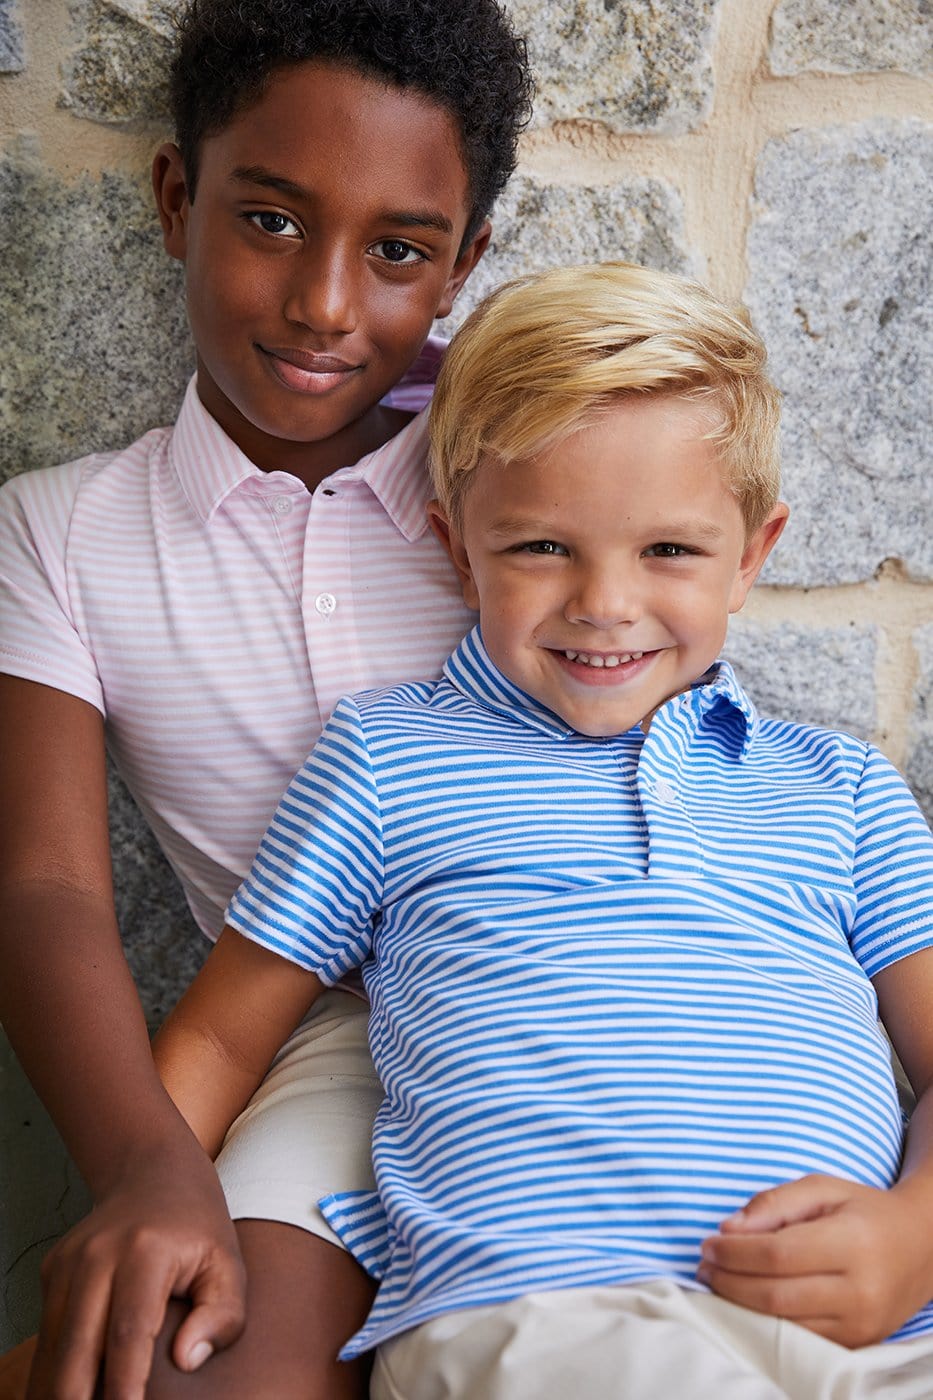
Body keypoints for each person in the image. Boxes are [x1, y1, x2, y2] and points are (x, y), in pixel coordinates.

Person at [149, 262, 933, 1399]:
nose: (604, 603)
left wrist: (913, 1230)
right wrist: (144, 1195)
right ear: (457, 545)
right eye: (540, 547)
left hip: (879, 1331)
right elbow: (222, 1041)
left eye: (669, 550)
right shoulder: (389, 758)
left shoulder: (842, 790)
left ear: (753, 555)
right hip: (547, 1320)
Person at [0, 1, 533, 1396]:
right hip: (327, 1049)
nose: (325, 306)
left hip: (583, 991)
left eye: (400, 251)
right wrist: (145, 1164)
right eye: (274, 221)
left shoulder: (510, 484)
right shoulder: (59, 534)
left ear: (463, 266)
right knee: (188, 1361)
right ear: (178, 199)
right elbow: (47, 887)